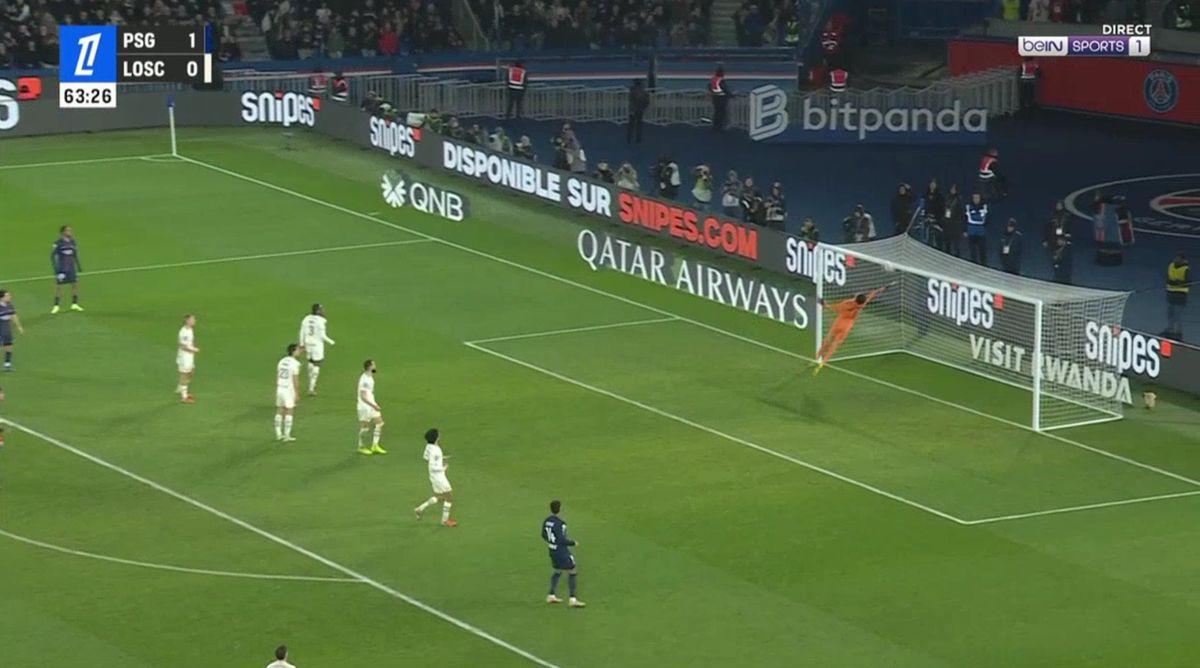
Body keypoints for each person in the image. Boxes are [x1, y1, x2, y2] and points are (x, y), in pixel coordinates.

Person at [813, 285, 890, 375]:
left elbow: (833, 308)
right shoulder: (862, 304)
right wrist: (882, 289)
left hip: (839, 322)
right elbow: (872, 295)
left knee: (827, 340)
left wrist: (824, 304)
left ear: (856, 298)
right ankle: (823, 363)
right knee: (835, 345)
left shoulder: (846, 303)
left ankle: (817, 357)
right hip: (847, 326)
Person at [542, 499, 585, 607]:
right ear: (560, 509)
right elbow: (561, 539)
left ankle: (551, 595)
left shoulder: (547, 521)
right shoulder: (560, 523)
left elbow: (543, 534)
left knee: (557, 570)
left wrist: (551, 542)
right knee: (572, 571)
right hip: (561, 551)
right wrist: (573, 543)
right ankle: (572, 599)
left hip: (552, 549)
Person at [414, 428, 457, 527]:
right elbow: (434, 467)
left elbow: (426, 457)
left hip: (433, 476)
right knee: (449, 497)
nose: (440, 435)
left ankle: (419, 509)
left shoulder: (429, 446)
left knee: (440, 497)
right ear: (436, 437)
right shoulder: (436, 450)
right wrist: (444, 467)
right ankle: (445, 520)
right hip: (439, 476)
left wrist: (441, 458)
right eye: (438, 434)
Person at [298, 303, 335, 396]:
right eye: (322, 309)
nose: (323, 311)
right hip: (317, 345)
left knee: (310, 361)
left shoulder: (306, 318)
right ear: (318, 311)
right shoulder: (321, 321)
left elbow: (302, 332)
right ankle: (311, 387)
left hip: (308, 343)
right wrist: (331, 342)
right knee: (317, 364)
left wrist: (302, 344)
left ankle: (311, 381)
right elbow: (322, 336)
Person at [50, 225, 83, 314]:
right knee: (59, 287)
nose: (70, 232)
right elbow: (52, 256)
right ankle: (56, 306)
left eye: (70, 230)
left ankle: (74, 304)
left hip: (71, 268)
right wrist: (56, 269)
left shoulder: (73, 242)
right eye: (68, 230)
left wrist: (78, 265)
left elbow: (75, 254)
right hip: (62, 269)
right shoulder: (58, 243)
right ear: (63, 232)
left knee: (75, 285)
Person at [356, 359, 386, 455]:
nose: (375, 366)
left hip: (371, 404)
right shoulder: (365, 380)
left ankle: (375, 445)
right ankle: (361, 446)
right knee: (365, 428)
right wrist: (374, 405)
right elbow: (363, 396)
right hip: (364, 407)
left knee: (379, 423)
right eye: (374, 365)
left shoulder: (370, 377)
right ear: (370, 367)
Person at [274, 343, 302, 442]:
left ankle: (278, 434)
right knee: (289, 410)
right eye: (298, 350)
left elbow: (277, 375)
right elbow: (295, 380)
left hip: (280, 388)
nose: (300, 351)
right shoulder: (295, 364)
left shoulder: (281, 361)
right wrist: (297, 393)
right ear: (293, 351)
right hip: (288, 389)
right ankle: (287, 435)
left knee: (280, 409)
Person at [1165, 252, 1189, 340]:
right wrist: (1169, 281)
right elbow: (1166, 276)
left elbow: (1188, 282)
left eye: (1178, 258)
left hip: (1180, 294)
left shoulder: (1186, 269)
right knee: (1170, 313)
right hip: (1171, 292)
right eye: (1176, 258)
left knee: (1177, 315)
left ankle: (1178, 333)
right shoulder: (1171, 266)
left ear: (1182, 260)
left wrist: (1177, 283)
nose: (1176, 260)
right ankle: (1170, 330)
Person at [176, 314, 198, 403]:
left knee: (191, 371)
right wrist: (194, 349)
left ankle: (181, 387)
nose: (194, 321)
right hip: (184, 356)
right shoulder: (183, 332)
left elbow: (189, 342)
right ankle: (184, 396)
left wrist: (192, 349)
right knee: (184, 374)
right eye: (192, 319)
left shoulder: (190, 329)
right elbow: (183, 346)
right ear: (187, 321)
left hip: (190, 355)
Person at [0, 291, 23, 373]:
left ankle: (7, 365)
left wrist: (19, 326)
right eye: (7, 295)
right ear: (1, 298)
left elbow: (14, 316)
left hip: (7, 329)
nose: (9, 297)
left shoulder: (10, 305)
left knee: (9, 347)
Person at [942, 184, 965, 256]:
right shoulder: (947, 198)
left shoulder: (959, 199)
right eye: (952, 189)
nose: (952, 190)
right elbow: (943, 210)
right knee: (947, 244)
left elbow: (962, 213)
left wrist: (961, 226)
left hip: (955, 226)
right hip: (947, 224)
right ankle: (946, 257)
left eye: (954, 189)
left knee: (956, 245)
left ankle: (957, 257)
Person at [966, 192, 989, 265]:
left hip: (981, 234)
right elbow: (964, 219)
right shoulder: (968, 207)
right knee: (973, 252)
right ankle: (974, 265)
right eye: (974, 197)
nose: (975, 199)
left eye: (977, 197)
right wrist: (964, 230)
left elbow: (988, 218)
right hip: (971, 233)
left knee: (982, 251)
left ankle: (983, 265)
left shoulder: (984, 207)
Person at [627, 79, 649, 145]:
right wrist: (643, 108)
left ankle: (629, 139)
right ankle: (638, 140)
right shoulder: (644, 92)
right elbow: (647, 102)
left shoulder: (632, 90)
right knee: (639, 125)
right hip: (640, 110)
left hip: (633, 110)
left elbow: (631, 101)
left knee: (631, 126)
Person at [709, 65, 730, 132]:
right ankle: (720, 125)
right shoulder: (720, 81)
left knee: (717, 112)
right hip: (721, 99)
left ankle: (716, 124)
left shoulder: (713, 80)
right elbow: (724, 89)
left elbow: (710, 87)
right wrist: (730, 95)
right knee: (721, 112)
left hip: (715, 98)